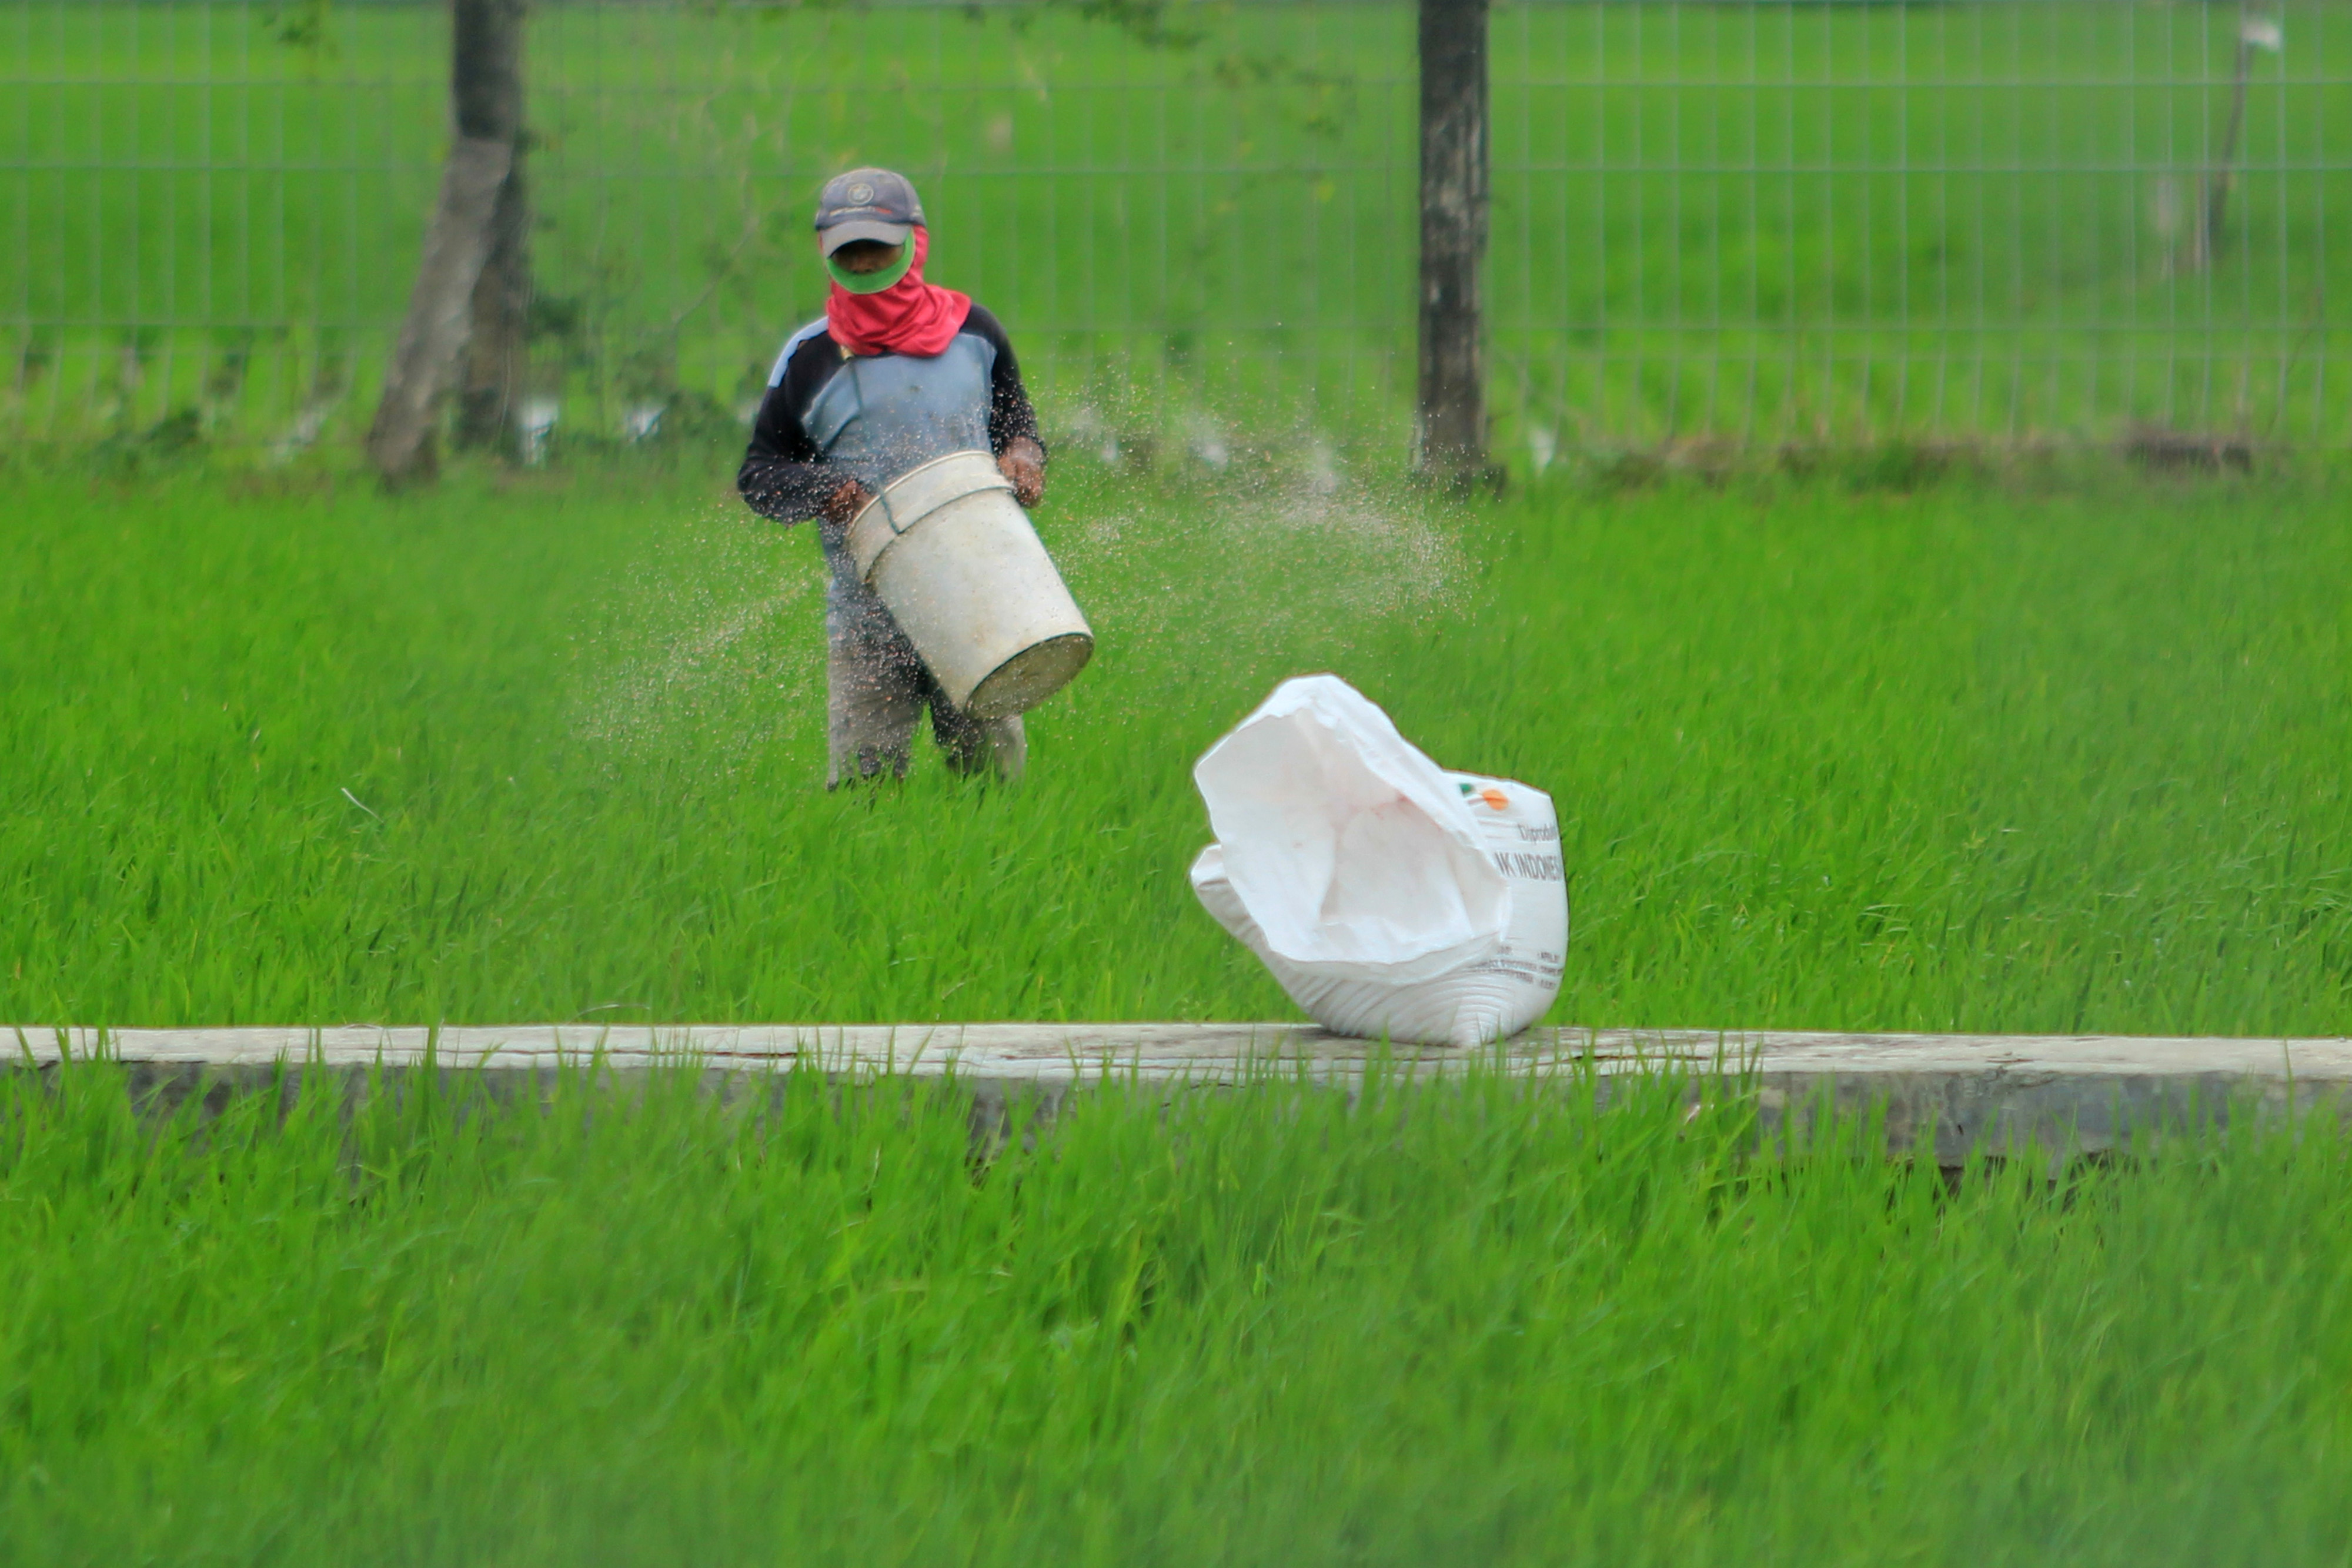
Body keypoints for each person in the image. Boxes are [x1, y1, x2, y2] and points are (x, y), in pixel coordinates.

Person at [738, 168, 1049, 787]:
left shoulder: (974, 333)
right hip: (867, 612)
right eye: (846, 249)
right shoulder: (811, 356)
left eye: (877, 244)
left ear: (914, 241)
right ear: (826, 253)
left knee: (993, 783)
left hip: (977, 601)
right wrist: (821, 491)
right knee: (865, 787)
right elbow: (760, 472)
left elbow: (1015, 418)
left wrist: (1024, 456)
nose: (862, 260)